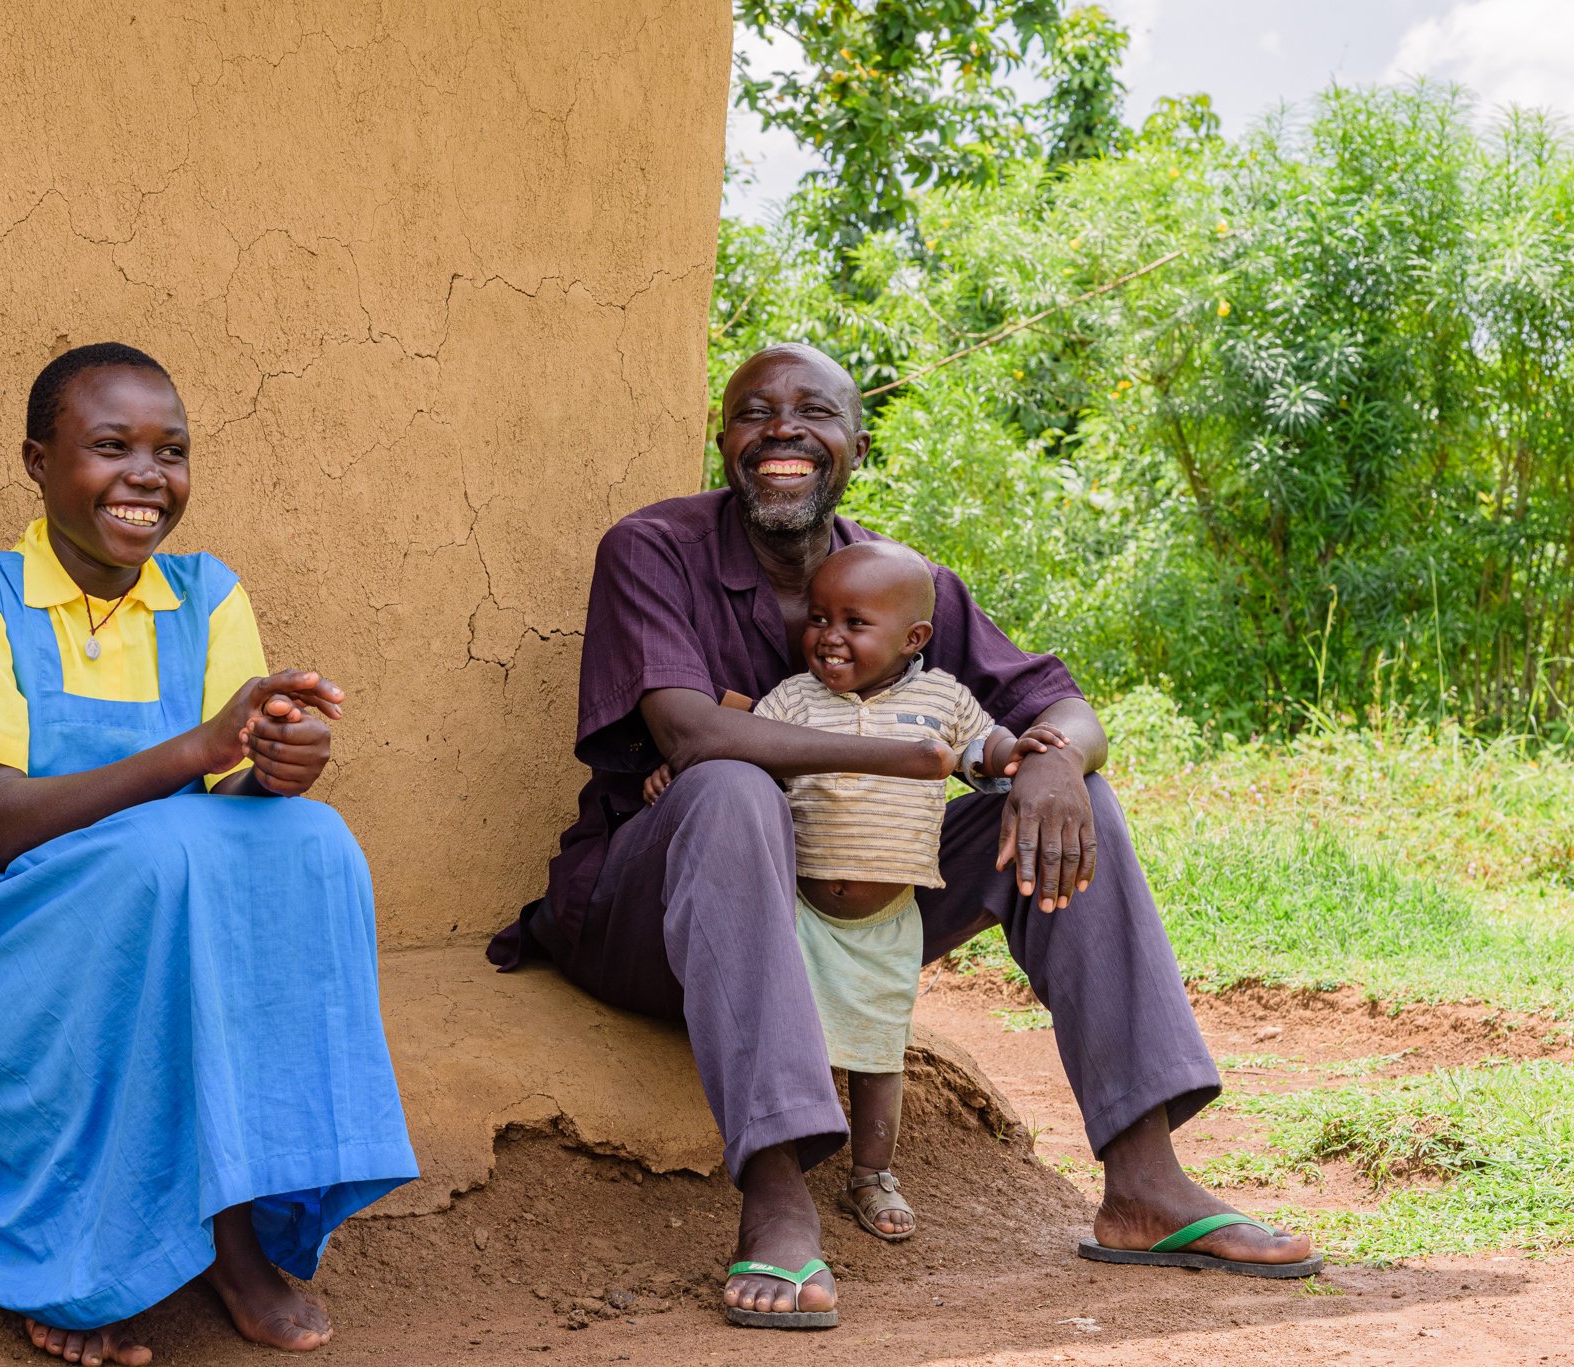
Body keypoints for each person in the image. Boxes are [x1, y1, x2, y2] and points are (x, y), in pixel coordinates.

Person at [489, 342, 1319, 1331]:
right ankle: (775, 1193)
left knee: (1077, 800)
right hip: (650, 918)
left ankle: (1142, 1179)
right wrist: (897, 754)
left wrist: (1054, 756)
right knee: (726, 785)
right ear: (724, 442)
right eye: (754, 412)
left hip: (847, 908)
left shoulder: (902, 582)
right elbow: (687, 730)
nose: (782, 428)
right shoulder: (652, 550)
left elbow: (1056, 701)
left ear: (855, 445)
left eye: (812, 412)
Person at [0, 343, 418, 1365]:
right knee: (168, 857)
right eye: (109, 446)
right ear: (37, 461)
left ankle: (237, 1220)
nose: (146, 474)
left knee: (311, 839)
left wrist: (278, 761)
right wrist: (196, 747)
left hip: (163, 906)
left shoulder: (206, 592)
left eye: (170, 451)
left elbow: (231, 798)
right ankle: (101, 1247)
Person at [643, 539, 1066, 1259]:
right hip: (801, 910)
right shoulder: (793, 698)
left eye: (854, 623)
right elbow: (740, 750)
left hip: (884, 919)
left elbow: (982, 748)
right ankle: (786, 1171)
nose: (829, 637)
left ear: (914, 639)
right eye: (817, 619)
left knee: (876, 1051)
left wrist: (1020, 754)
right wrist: (675, 772)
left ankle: (872, 1172)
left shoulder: (942, 700)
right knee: (791, 1032)